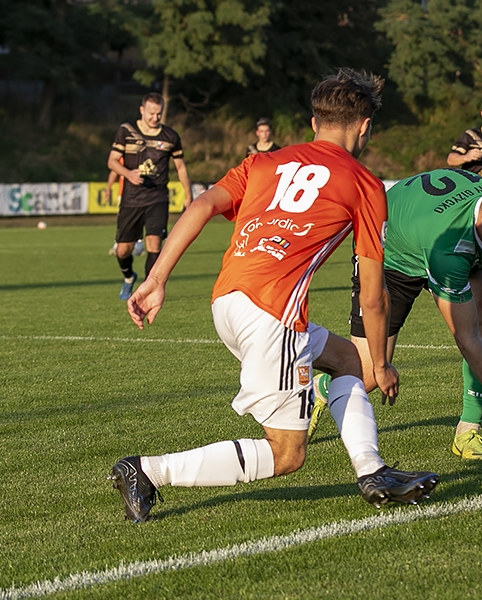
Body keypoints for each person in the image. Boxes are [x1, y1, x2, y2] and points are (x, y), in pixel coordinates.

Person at [109, 68, 438, 523]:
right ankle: (147, 471)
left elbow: (201, 204)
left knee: (348, 362)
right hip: (273, 314)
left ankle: (373, 471)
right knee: (287, 454)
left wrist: (157, 277)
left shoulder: (264, 162)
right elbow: (373, 296)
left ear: (313, 123)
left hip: (227, 300)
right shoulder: (364, 183)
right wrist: (382, 362)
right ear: (365, 127)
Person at [310, 170, 482, 463]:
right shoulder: (447, 245)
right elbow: (465, 335)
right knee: (367, 375)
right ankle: (319, 388)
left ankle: (467, 430)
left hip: (445, 234)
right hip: (394, 251)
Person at [108, 92, 192, 301]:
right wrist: (128, 173)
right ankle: (129, 278)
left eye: (159, 114)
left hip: (157, 198)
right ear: (142, 110)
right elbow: (112, 161)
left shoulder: (171, 136)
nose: (156, 118)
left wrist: (188, 195)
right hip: (131, 199)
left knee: (154, 244)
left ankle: (147, 289)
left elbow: (180, 167)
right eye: (152, 113)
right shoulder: (126, 131)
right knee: (123, 250)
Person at [106, 166, 144, 258]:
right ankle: (118, 243)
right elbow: (114, 171)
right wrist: (108, 188)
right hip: (124, 194)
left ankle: (138, 245)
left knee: (139, 219)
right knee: (123, 219)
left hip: (141, 194)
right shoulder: (122, 157)